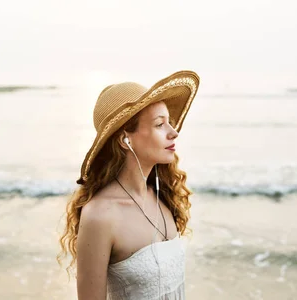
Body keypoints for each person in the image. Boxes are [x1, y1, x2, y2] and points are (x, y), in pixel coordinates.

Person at [57, 70, 200, 299]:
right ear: (126, 139)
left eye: (170, 123)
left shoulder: (162, 197)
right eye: (160, 124)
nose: (173, 133)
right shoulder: (100, 215)